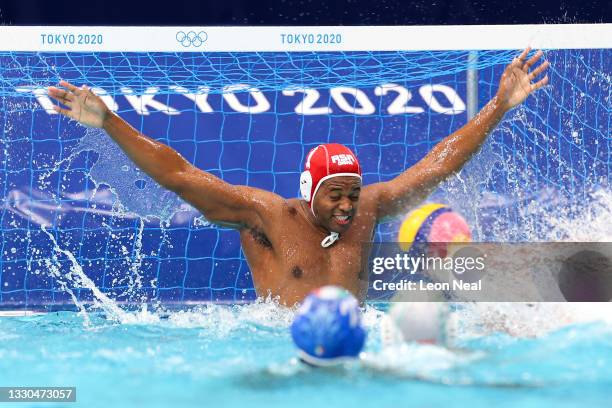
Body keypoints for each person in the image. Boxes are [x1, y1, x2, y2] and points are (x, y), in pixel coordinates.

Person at [48, 48, 549, 305]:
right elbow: (180, 175)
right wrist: (110, 120)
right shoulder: (266, 215)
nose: (348, 206)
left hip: (352, 343)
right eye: (336, 196)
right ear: (309, 189)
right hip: (282, 345)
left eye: (352, 194)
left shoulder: (369, 208)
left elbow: (437, 163)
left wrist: (499, 106)